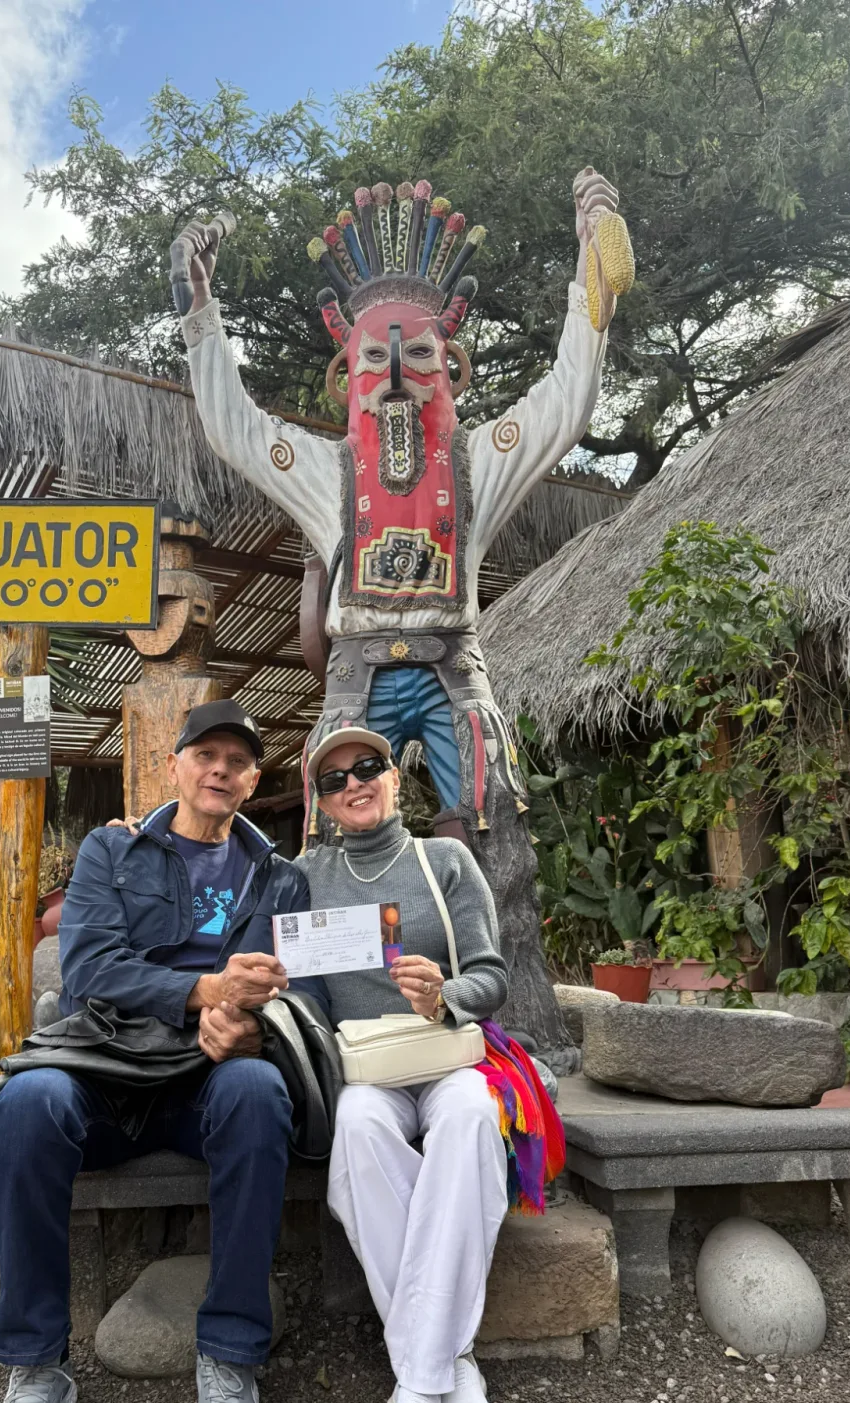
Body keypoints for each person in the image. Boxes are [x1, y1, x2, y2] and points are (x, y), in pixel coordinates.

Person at [171, 166, 625, 1072]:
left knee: (493, 834)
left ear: (450, 366)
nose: (393, 382)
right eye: (373, 363)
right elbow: (230, 421)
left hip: (456, 668)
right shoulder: (320, 468)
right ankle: (332, 1026)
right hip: (359, 672)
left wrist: (592, 278)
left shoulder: (481, 461)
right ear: (348, 370)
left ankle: (512, 1022)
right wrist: (198, 316)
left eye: (416, 360)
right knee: (330, 847)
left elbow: (567, 401)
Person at [0, 699, 318, 1403]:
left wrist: (257, 1032)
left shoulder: (282, 877)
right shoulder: (111, 850)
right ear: (177, 765)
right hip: (107, 1072)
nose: (220, 770)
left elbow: (304, 994)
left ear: (253, 780)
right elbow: (90, 969)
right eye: (206, 755)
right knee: (25, 1104)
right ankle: (36, 1371)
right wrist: (204, 994)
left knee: (261, 1091)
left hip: (209, 1084)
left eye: (237, 761)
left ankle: (230, 1361)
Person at [297, 727, 513, 1403]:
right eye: (333, 780)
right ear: (319, 803)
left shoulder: (446, 860)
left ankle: (419, 1383)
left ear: (394, 776)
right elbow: (300, 996)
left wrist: (444, 994)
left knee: (471, 1118)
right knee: (357, 1129)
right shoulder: (304, 875)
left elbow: (492, 974)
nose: (353, 784)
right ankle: (451, 1367)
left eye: (367, 768)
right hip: (365, 1067)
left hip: (443, 1052)